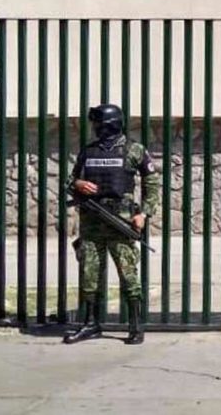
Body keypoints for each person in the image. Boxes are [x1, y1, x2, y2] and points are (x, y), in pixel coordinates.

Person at [64, 104, 160, 345]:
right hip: (92, 223)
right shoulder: (89, 152)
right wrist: (77, 184)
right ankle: (91, 324)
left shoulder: (134, 150)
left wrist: (145, 214)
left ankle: (136, 326)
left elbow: (152, 184)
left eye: (100, 125)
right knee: (89, 275)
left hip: (121, 222)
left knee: (129, 276)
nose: (96, 129)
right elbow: (70, 180)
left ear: (111, 125)